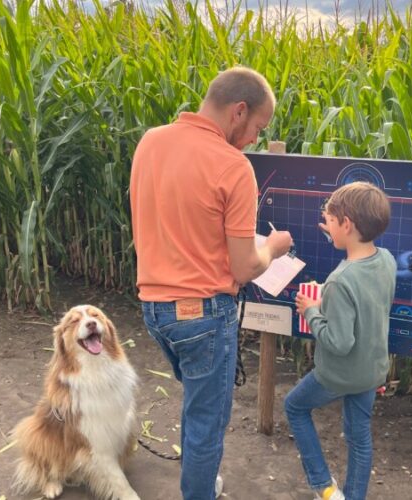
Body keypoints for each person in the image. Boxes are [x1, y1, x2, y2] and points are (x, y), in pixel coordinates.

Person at [130, 67, 293, 500]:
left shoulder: (150, 142)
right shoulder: (233, 166)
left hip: (154, 309)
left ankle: (200, 481)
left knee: (197, 403)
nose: (257, 138)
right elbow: (244, 268)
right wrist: (273, 248)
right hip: (203, 313)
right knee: (206, 419)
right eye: (258, 126)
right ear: (239, 111)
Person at [285, 181, 396, 500]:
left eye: (331, 222)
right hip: (372, 370)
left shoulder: (339, 281)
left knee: (294, 406)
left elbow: (339, 342)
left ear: (347, 224)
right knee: (359, 438)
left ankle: (324, 486)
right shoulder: (386, 259)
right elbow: (369, 304)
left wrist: (312, 312)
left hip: (339, 373)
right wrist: (334, 231)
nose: (327, 227)